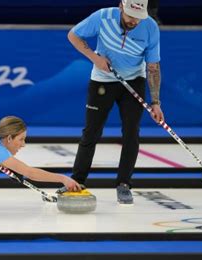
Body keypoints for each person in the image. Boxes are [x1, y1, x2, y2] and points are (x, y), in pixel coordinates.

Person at [67, 0, 163, 205]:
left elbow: (153, 66)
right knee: (91, 132)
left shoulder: (150, 27)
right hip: (102, 79)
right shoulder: (103, 16)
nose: (134, 21)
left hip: (134, 81)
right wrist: (95, 58)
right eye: (130, 16)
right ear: (121, 7)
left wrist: (155, 102)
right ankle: (76, 181)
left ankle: (124, 184)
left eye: (138, 17)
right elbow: (73, 35)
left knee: (131, 132)